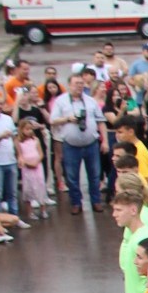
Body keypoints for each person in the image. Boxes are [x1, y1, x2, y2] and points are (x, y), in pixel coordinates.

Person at [50, 75, 108, 215]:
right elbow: (53, 121)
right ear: (69, 85)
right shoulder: (61, 101)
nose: (79, 86)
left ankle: (96, 201)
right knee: (72, 176)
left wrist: (104, 141)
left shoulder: (90, 101)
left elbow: (100, 121)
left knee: (94, 174)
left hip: (91, 144)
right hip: (71, 145)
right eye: (76, 83)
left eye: (81, 83)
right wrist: (68, 119)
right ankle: (76, 202)